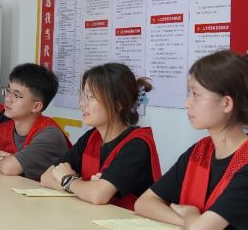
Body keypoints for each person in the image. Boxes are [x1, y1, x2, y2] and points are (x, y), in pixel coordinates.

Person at [135, 50, 248, 230]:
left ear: (226, 103)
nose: (187, 103)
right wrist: (187, 220)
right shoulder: (200, 150)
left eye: (196, 94)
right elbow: (145, 203)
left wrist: (192, 213)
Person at [40, 63, 161, 210]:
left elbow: (98, 195)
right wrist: (84, 188)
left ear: (118, 104)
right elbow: (46, 177)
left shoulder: (137, 146)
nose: (82, 104)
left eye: (91, 97)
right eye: (84, 95)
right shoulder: (91, 137)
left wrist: (68, 180)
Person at [0, 63, 71, 179]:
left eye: (16, 95)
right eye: (8, 91)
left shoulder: (50, 135)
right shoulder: (3, 130)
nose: (7, 98)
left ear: (36, 106)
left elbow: (9, 168)